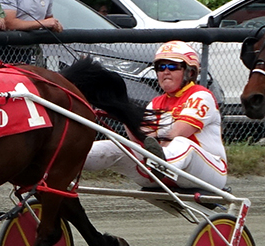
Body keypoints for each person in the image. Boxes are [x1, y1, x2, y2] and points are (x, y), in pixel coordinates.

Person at [83, 41, 228, 190]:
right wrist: (123, 113)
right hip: (165, 170)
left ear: (190, 72)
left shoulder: (201, 95)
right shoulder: (156, 103)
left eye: (172, 66)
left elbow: (177, 133)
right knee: (114, 147)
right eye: (160, 67)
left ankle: (159, 165)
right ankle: (65, 159)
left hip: (209, 172)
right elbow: (146, 140)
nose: (165, 71)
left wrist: (153, 157)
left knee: (182, 143)